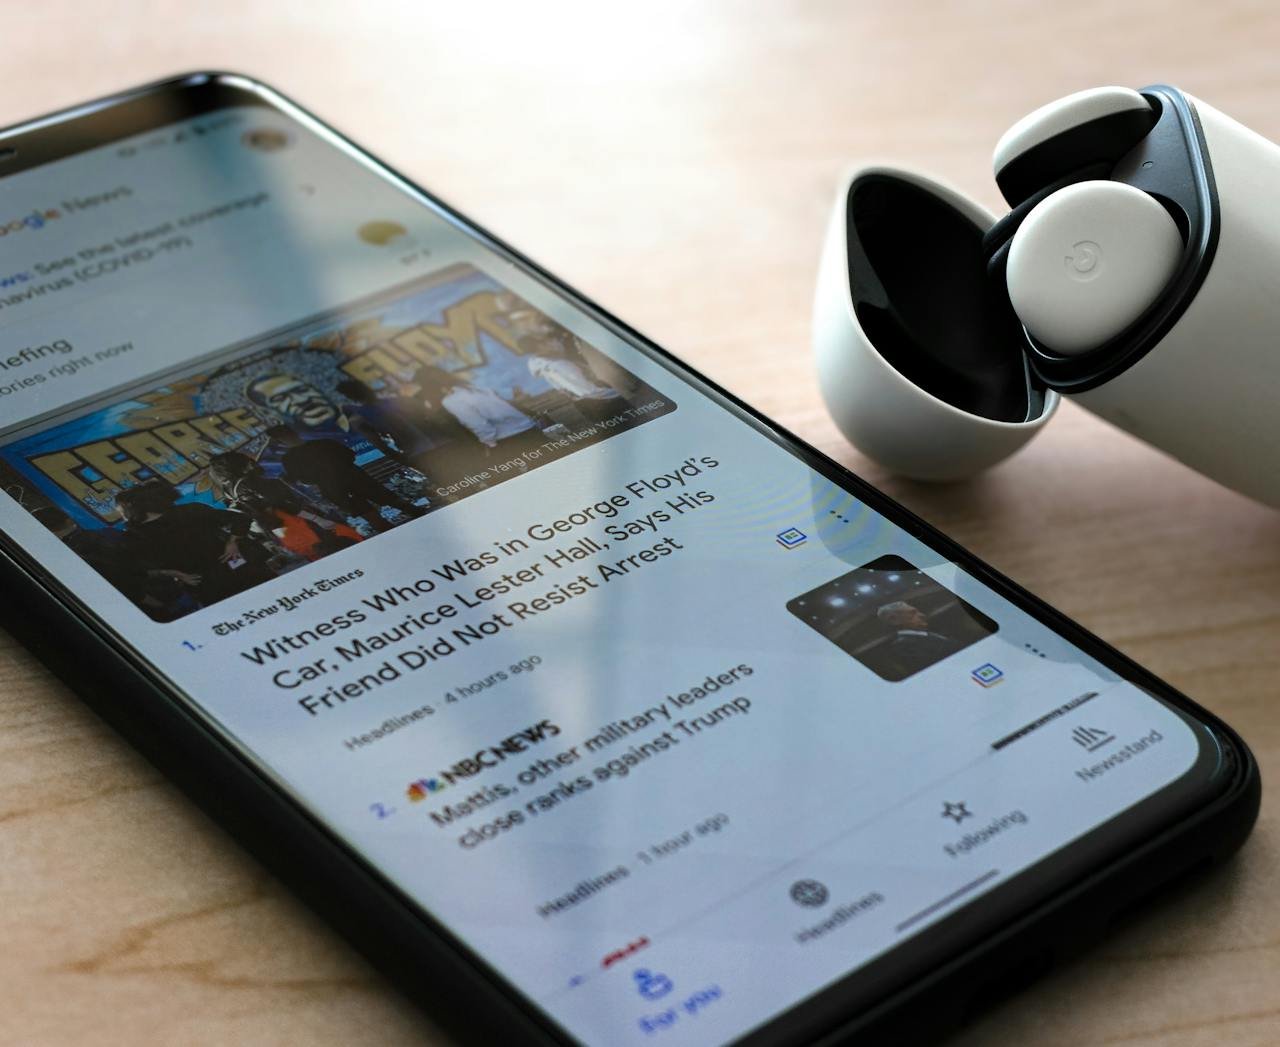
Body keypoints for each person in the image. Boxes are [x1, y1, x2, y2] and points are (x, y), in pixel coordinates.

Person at [115, 481, 275, 617]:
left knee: (240, 616)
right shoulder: (191, 510)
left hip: (209, 581)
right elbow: (241, 518)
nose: (120, 513)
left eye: (120, 508)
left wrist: (174, 573)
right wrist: (232, 542)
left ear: (133, 506)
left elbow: (137, 570)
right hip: (229, 571)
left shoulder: (134, 535)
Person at [208, 451, 363, 562]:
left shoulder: (228, 491)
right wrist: (317, 518)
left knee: (318, 557)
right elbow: (282, 503)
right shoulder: (251, 481)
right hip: (299, 522)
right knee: (348, 544)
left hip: (278, 530)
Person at [266, 425, 423, 533]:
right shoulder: (324, 443)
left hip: (334, 489)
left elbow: (302, 479)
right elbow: (350, 456)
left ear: (280, 441)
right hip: (356, 478)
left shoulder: (289, 459)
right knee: (395, 502)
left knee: (371, 517)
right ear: (294, 433)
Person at [415, 366, 544, 460]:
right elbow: (505, 399)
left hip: (509, 440)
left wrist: (490, 445)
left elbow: (479, 425)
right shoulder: (470, 387)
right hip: (528, 427)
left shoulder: (451, 401)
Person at [875, 601, 966, 675]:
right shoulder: (902, 647)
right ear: (894, 620)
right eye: (913, 613)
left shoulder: (929, 634)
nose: (922, 615)